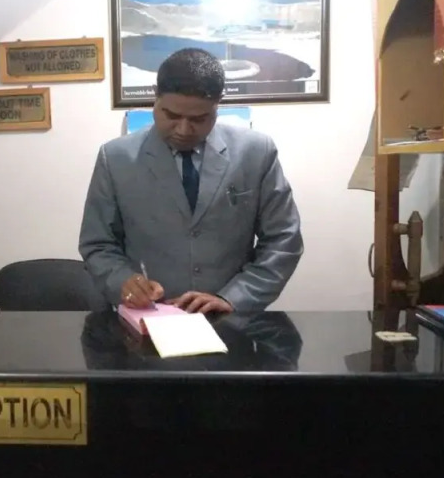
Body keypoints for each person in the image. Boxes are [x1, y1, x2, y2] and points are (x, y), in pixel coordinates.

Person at [78, 47, 303, 316]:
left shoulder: (256, 152)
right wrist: (122, 281)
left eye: (199, 119)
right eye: (172, 116)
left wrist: (235, 298)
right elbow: (98, 244)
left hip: (229, 320)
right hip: (149, 317)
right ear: (155, 96)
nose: (184, 130)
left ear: (218, 104)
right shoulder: (116, 158)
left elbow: (283, 239)